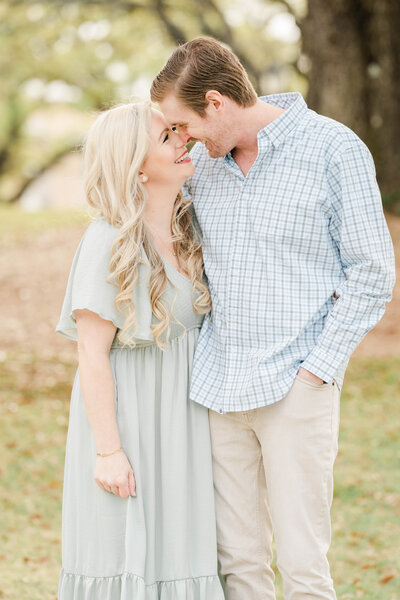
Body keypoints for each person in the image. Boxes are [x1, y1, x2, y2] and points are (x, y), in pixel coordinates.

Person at [151, 37, 396, 600]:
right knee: (239, 564)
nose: (179, 139)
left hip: (296, 388)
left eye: (183, 124)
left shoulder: (334, 149)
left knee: (304, 566)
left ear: (216, 101)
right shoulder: (201, 169)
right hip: (219, 386)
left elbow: (372, 271)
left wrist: (319, 369)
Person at [56, 101, 224, 599]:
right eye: (166, 136)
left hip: (186, 422)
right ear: (135, 165)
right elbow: (91, 353)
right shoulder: (108, 239)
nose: (182, 141)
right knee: (123, 553)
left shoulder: (190, 231)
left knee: (182, 554)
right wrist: (108, 451)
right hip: (127, 418)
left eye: (179, 131)